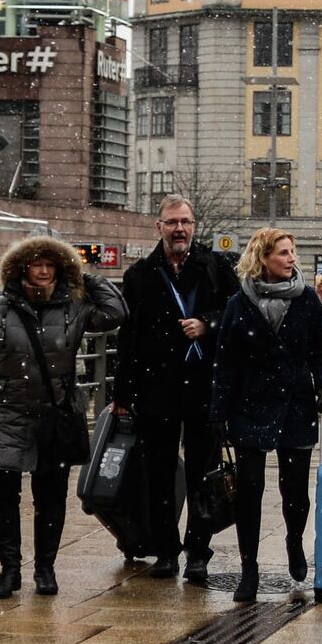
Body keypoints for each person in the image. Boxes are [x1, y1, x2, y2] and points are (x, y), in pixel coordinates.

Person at [0, 237, 127, 598]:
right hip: (3, 413)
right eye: (36, 264)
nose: (44, 271)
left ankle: (45, 568)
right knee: (2, 496)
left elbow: (116, 313)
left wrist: (84, 275)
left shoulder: (72, 307)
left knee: (50, 496)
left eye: (51, 264)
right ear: (21, 269)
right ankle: (9, 569)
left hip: (53, 416)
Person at [114, 196, 241, 584]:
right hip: (158, 387)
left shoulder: (216, 268)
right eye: (172, 223)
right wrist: (122, 394)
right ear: (159, 227)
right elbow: (127, 338)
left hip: (204, 388)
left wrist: (209, 323)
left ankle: (198, 552)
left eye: (185, 222)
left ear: (195, 225)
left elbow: (237, 316)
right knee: (160, 475)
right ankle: (166, 551)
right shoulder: (140, 275)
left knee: (204, 473)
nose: (179, 229)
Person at [210, 228, 322, 603]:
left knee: (295, 490)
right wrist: (219, 413)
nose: (291, 259)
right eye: (283, 253)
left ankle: (294, 542)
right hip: (250, 405)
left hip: (296, 405)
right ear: (262, 259)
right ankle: (249, 569)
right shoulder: (239, 304)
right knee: (249, 492)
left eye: (293, 252)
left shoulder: (308, 300)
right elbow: (226, 363)